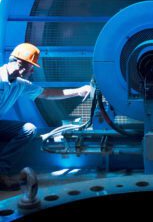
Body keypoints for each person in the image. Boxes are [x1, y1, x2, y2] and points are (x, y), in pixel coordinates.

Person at [0, 42, 90, 190]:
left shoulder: (20, 84)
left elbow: (47, 94)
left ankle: (1, 172)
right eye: (31, 67)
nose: (32, 72)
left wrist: (79, 91)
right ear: (20, 63)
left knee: (28, 129)